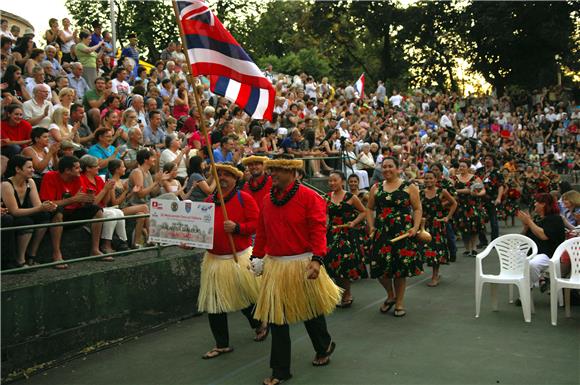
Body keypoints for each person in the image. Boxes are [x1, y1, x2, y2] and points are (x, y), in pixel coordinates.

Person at [252, 156, 341, 385]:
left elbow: (318, 230)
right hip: (275, 266)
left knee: (311, 311)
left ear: (292, 172)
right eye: (271, 170)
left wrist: (317, 260)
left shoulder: (310, 197)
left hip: (302, 263)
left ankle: (324, 347)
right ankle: (280, 371)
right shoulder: (266, 200)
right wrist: (256, 256)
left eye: (278, 171)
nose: (273, 174)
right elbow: (261, 231)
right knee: (277, 320)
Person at [187, 162, 268, 359]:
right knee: (214, 304)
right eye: (219, 174)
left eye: (226, 175)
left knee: (245, 298)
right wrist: (189, 242)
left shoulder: (244, 198)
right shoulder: (207, 202)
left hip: (238, 257)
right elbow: (198, 230)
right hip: (214, 259)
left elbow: (257, 225)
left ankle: (259, 324)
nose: (222, 178)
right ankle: (221, 344)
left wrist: (238, 228)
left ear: (235, 179)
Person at [367, 157, 423, 317]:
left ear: (397, 168)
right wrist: (371, 226)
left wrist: (415, 227)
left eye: (390, 166)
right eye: (384, 167)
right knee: (379, 267)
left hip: (402, 233)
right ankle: (390, 295)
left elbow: (417, 208)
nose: (387, 169)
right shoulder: (376, 187)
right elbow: (369, 209)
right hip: (381, 232)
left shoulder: (409, 187)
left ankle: (399, 302)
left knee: (400, 269)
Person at [39, 156, 105, 268]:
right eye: (77, 168)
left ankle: (95, 249)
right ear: (67, 170)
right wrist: (72, 199)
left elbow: (80, 201)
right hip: (54, 213)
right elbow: (47, 204)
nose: (80, 170)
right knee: (57, 211)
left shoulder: (78, 178)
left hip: (72, 212)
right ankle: (56, 253)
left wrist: (87, 200)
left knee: (97, 210)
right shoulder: (50, 176)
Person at [1, 155, 57, 267]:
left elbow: (37, 205)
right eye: (29, 167)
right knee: (26, 221)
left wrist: (47, 206)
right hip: (9, 216)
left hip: (23, 213)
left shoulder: (30, 182)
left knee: (45, 216)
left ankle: (32, 255)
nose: (33, 170)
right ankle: (20, 259)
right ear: (18, 169)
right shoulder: (6, 185)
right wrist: (40, 208)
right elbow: (14, 211)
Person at [325, 170, 369, 307]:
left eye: (335, 180)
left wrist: (354, 222)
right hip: (332, 234)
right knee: (332, 264)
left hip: (346, 235)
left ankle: (347, 293)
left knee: (344, 264)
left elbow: (364, 212)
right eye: (330, 181)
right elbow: (325, 216)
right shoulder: (326, 197)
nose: (332, 183)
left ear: (342, 182)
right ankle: (339, 293)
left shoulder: (351, 197)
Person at [79, 155, 128, 255]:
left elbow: (105, 201)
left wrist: (108, 189)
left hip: (101, 208)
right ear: (88, 168)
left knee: (119, 212)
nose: (99, 167)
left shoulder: (98, 179)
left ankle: (123, 241)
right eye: (96, 166)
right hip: (88, 210)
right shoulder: (81, 179)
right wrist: (105, 189)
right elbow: (92, 204)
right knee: (112, 214)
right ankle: (106, 245)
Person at [516, 193, 566, 289]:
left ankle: (530, 287)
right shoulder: (537, 219)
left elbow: (543, 236)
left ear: (543, 204)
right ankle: (539, 280)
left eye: (536, 202)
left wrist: (529, 222)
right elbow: (523, 237)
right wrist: (526, 226)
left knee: (533, 264)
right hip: (532, 252)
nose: (534, 204)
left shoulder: (555, 219)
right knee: (513, 256)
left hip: (548, 254)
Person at [420, 170, 457, 287]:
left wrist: (448, 217)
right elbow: (417, 208)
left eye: (431, 178)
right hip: (425, 225)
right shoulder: (420, 193)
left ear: (436, 180)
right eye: (426, 178)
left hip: (437, 225)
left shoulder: (442, 191)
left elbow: (454, 203)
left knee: (436, 251)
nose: (428, 180)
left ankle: (435, 276)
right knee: (425, 250)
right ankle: (434, 275)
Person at [453, 159, 486, 257]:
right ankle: (467, 248)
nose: (461, 168)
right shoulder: (454, 178)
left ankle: (474, 248)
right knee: (463, 228)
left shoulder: (475, 178)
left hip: (473, 205)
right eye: (460, 166)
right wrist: (465, 191)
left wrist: (477, 194)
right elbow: (451, 191)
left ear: (468, 167)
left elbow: (483, 190)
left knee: (474, 228)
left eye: (463, 166)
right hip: (460, 206)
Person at [475, 154, 504, 248]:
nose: (487, 160)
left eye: (490, 159)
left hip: (493, 199)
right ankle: (483, 241)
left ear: (493, 161)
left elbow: (501, 186)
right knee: (479, 221)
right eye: (486, 159)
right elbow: (475, 183)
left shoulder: (497, 172)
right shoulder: (479, 171)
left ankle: (494, 242)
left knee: (494, 222)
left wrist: (499, 198)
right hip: (480, 199)